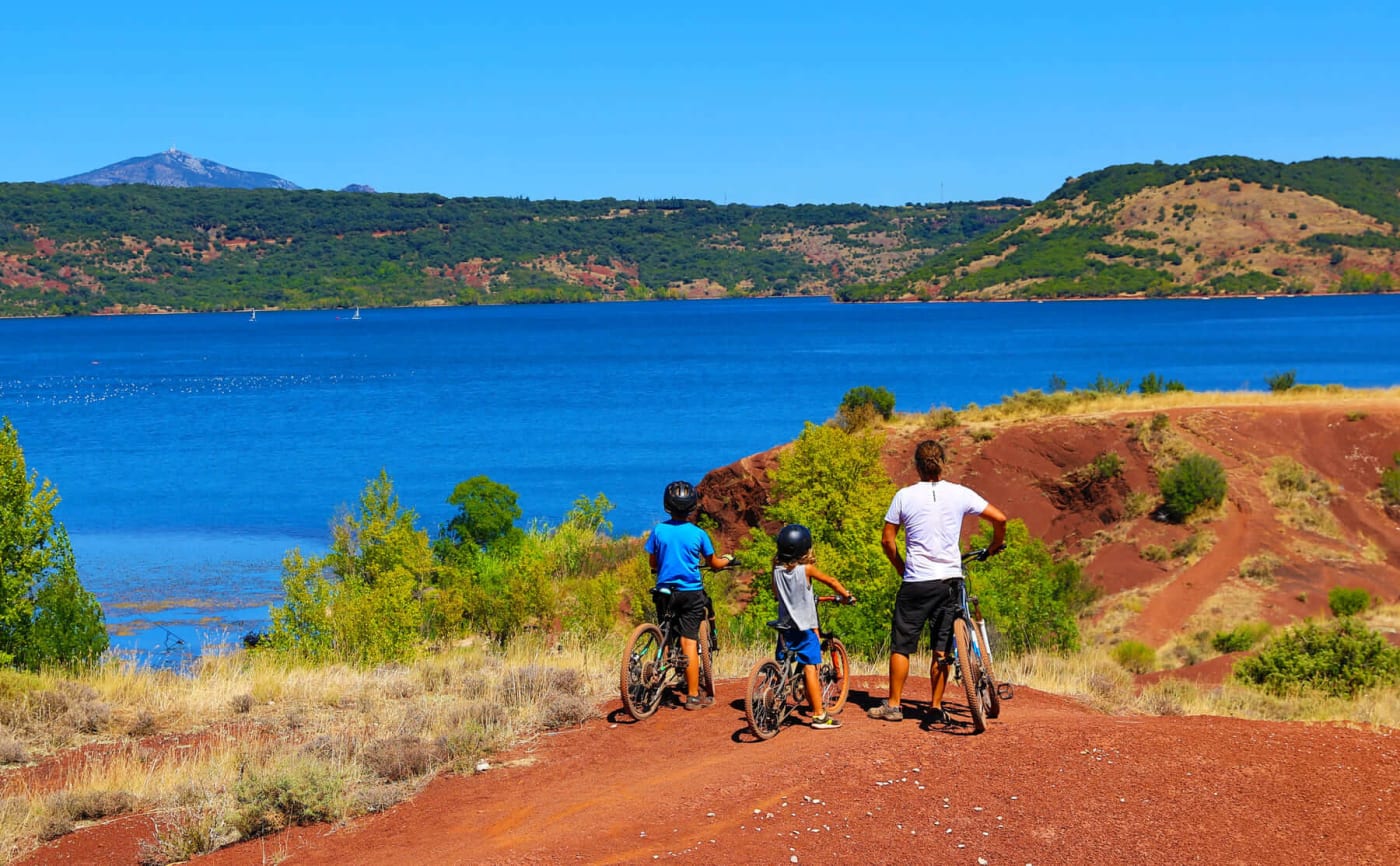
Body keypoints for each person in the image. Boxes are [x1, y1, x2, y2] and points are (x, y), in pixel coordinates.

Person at [868, 440, 1006, 724]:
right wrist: (994, 546)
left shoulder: (904, 496)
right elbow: (1000, 518)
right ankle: (934, 705)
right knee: (942, 647)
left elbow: (887, 540)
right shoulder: (959, 493)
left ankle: (894, 705)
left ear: (916, 465)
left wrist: (901, 567)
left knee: (902, 645)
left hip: (916, 581)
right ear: (943, 462)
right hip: (949, 581)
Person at [644, 480, 734, 711]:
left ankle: (661, 668)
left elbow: (653, 561)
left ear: (667, 505)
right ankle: (693, 696)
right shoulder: (698, 534)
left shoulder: (659, 530)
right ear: (692, 506)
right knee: (689, 641)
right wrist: (727, 561)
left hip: (664, 591)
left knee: (665, 628)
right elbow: (713, 563)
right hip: (690, 593)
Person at [771, 524, 853, 729]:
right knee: (810, 667)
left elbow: (776, 595)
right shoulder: (805, 569)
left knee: (783, 663)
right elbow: (831, 581)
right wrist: (846, 596)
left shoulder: (776, 570)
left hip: (785, 626)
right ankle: (819, 715)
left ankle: (776, 700)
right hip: (804, 627)